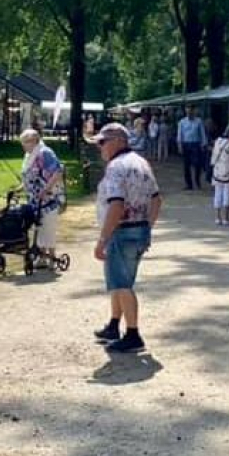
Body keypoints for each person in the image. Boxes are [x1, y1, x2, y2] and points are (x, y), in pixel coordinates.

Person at [90, 123, 162, 354]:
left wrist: (102, 239)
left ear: (118, 141)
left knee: (121, 284)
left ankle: (133, 334)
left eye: (103, 142)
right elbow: (156, 199)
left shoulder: (116, 167)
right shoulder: (141, 163)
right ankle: (114, 325)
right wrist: (146, 228)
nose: (100, 147)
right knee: (119, 281)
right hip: (138, 229)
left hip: (121, 231)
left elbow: (117, 204)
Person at [20, 129, 65, 266]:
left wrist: (46, 189)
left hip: (48, 197)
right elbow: (29, 175)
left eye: (26, 142)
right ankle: (41, 256)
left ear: (34, 141)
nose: (24, 145)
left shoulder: (45, 153)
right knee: (39, 226)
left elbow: (58, 172)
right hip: (34, 198)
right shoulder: (29, 156)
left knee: (48, 226)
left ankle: (52, 256)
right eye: (23, 143)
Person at [177, 106, 208, 190]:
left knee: (197, 164)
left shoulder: (199, 121)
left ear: (194, 111)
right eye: (187, 110)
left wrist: (203, 144)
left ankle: (197, 181)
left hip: (196, 144)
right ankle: (189, 184)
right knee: (186, 166)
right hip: (186, 144)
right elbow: (180, 134)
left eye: (191, 110)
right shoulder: (182, 122)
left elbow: (202, 133)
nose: (189, 112)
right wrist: (179, 145)